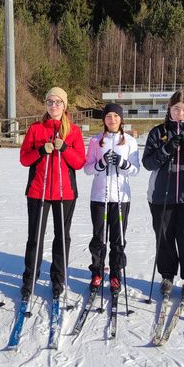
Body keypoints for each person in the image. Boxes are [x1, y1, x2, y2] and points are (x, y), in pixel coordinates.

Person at [142, 89, 184, 299]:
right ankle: (167, 276)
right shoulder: (158, 132)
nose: (179, 113)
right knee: (164, 238)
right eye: (175, 109)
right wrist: (166, 149)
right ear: (169, 108)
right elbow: (148, 163)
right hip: (161, 195)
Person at [19, 87, 86, 299]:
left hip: (65, 193)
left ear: (64, 105)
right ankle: (30, 279)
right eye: (50, 101)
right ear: (46, 104)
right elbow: (24, 159)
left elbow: (79, 162)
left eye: (58, 102)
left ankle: (58, 279)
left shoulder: (73, 131)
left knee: (62, 237)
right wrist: (41, 150)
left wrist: (65, 148)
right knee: (35, 238)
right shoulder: (36, 128)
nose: (54, 105)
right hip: (38, 191)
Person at [83, 103, 140, 294]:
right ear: (104, 119)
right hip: (100, 196)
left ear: (121, 119)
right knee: (99, 238)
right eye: (108, 116)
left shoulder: (130, 141)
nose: (112, 119)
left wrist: (123, 163)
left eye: (116, 116)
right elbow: (87, 168)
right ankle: (97, 272)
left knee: (118, 239)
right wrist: (100, 163)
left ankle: (115, 274)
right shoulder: (96, 140)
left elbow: (135, 170)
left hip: (121, 198)